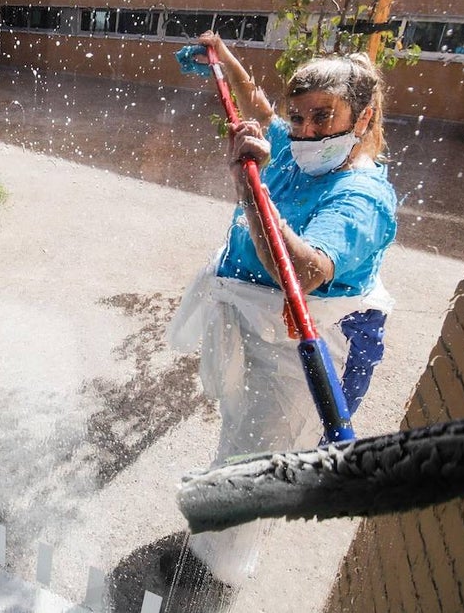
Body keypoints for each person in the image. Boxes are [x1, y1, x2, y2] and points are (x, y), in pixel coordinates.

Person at [166, 31, 398, 585]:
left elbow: (306, 271)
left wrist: (251, 187)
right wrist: (228, 64)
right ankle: (217, 530)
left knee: (260, 459)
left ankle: (215, 570)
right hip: (258, 328)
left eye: (323, 116)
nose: (304, 130)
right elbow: (262, 111)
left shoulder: (362, 197)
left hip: (300, 347)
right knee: (242, 432)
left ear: (363, 118)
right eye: (298, 117)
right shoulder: (297, 153)